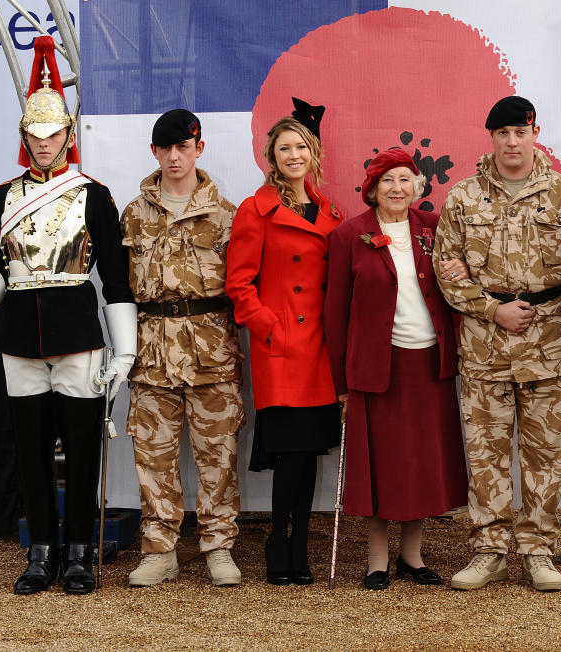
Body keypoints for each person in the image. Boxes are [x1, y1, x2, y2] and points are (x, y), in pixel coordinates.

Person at [0, 36, 136, 595]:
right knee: (31, 448)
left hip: (79, 331)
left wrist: (125, 348)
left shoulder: (94, 194)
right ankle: (41, 549)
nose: (44, 145)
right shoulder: (1, 197)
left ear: (67, 134)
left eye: (53, 134)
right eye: (35, 137)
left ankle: (81, 549)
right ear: (24, 138)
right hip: (18, 332)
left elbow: (116, 276)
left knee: (83, 447)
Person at [432, 95, 561, 592]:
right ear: (491, 137)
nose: (512, 142)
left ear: (534, 132)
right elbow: (446, 268)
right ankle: (489, 550)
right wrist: (491, 308)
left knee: (546, 455)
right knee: (487, 454)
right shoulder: (464, 197)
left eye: (520, 132)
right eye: (502, 134)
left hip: (549, 342)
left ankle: (538, 551)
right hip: (486, 346)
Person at [324, 149, 469, 590]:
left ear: (418, 187)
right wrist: (341, 384)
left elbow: (460, 277)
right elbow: (335, 313)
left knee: (421, 461)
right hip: (376, 367)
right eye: (387, 180)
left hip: (429, 362)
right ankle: (377, 559)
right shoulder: (351, 235)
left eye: (405, 179)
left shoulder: (434, 227)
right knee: (380, 465)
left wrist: (461, 269)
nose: (396, 188)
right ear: (371, 189)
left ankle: (412, 554)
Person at [122, 110, 246, 587]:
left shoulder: (226, 214)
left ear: (200, 148)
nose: (175, 157)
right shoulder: (134, 212)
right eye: (166, 148)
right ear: (154, 151)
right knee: (153, 455)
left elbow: (241, 288)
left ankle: (218, 546)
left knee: (218, 454)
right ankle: (159, 550)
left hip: (211, 347)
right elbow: (120, 285)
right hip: (152, 348)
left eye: (184, 147)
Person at [225, 99, 341, 586]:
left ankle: (299, 543)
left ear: (313, 152)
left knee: (310, 449)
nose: (293, 155)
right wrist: (268, 325)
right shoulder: (257, 209)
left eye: (300, 146)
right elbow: (238, 283)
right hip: (283, 347)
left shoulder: (331, 210)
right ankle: (278, 538)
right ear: (271, 158)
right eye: (283, 149)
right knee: (290, 450)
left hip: (322, 348)